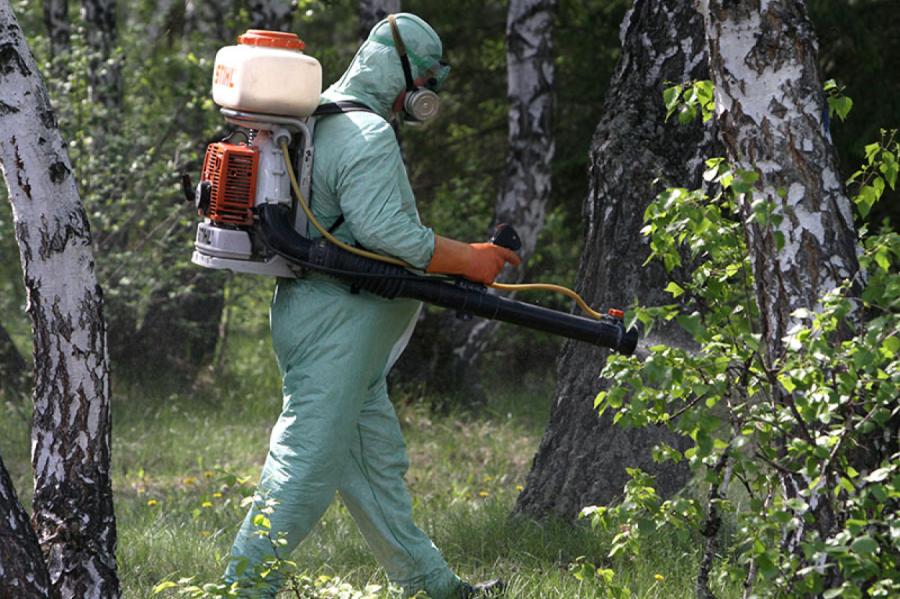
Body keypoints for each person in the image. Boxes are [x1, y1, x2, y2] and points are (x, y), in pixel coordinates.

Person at [224, 12, 519, 598]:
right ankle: (242, 590)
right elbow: (389, 234)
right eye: (428, 77)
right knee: (303, 469)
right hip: (338, 322)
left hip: (322, 316)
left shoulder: (319, 117)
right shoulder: (367, 133)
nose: (427, 92)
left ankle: (432, 585)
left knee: (374, 466)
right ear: (401, 71)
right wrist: (474, 259)